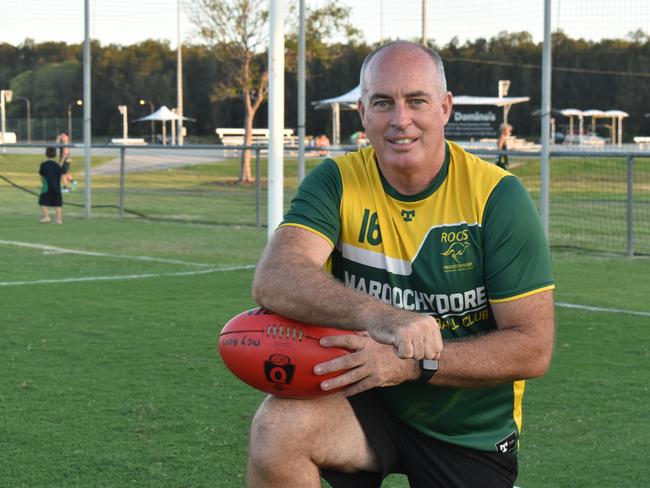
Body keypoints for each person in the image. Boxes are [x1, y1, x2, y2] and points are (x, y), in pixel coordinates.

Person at [247, 41, 555, 488]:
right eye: (383, 102)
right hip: (363, 399)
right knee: (278, 428)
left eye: (417, 101)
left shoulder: (497, 198)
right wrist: (382, 316)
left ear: (445, 108)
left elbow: (532, 347)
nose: (400, 120)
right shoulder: (337, 180)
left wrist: (414, 364)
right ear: (362, 112)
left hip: (467, 431)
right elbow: (276, 275)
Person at [38, 146, 64, 224]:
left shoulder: (43, 164)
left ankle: (46, 217)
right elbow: (61, 175)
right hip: (57, 187)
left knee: (43, 202)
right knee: (58, 204)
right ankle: (59, 219)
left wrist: (43, 183)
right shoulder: (57, 166)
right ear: (55, 154)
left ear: (46, 154)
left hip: (46, 187)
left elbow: (41, 176)